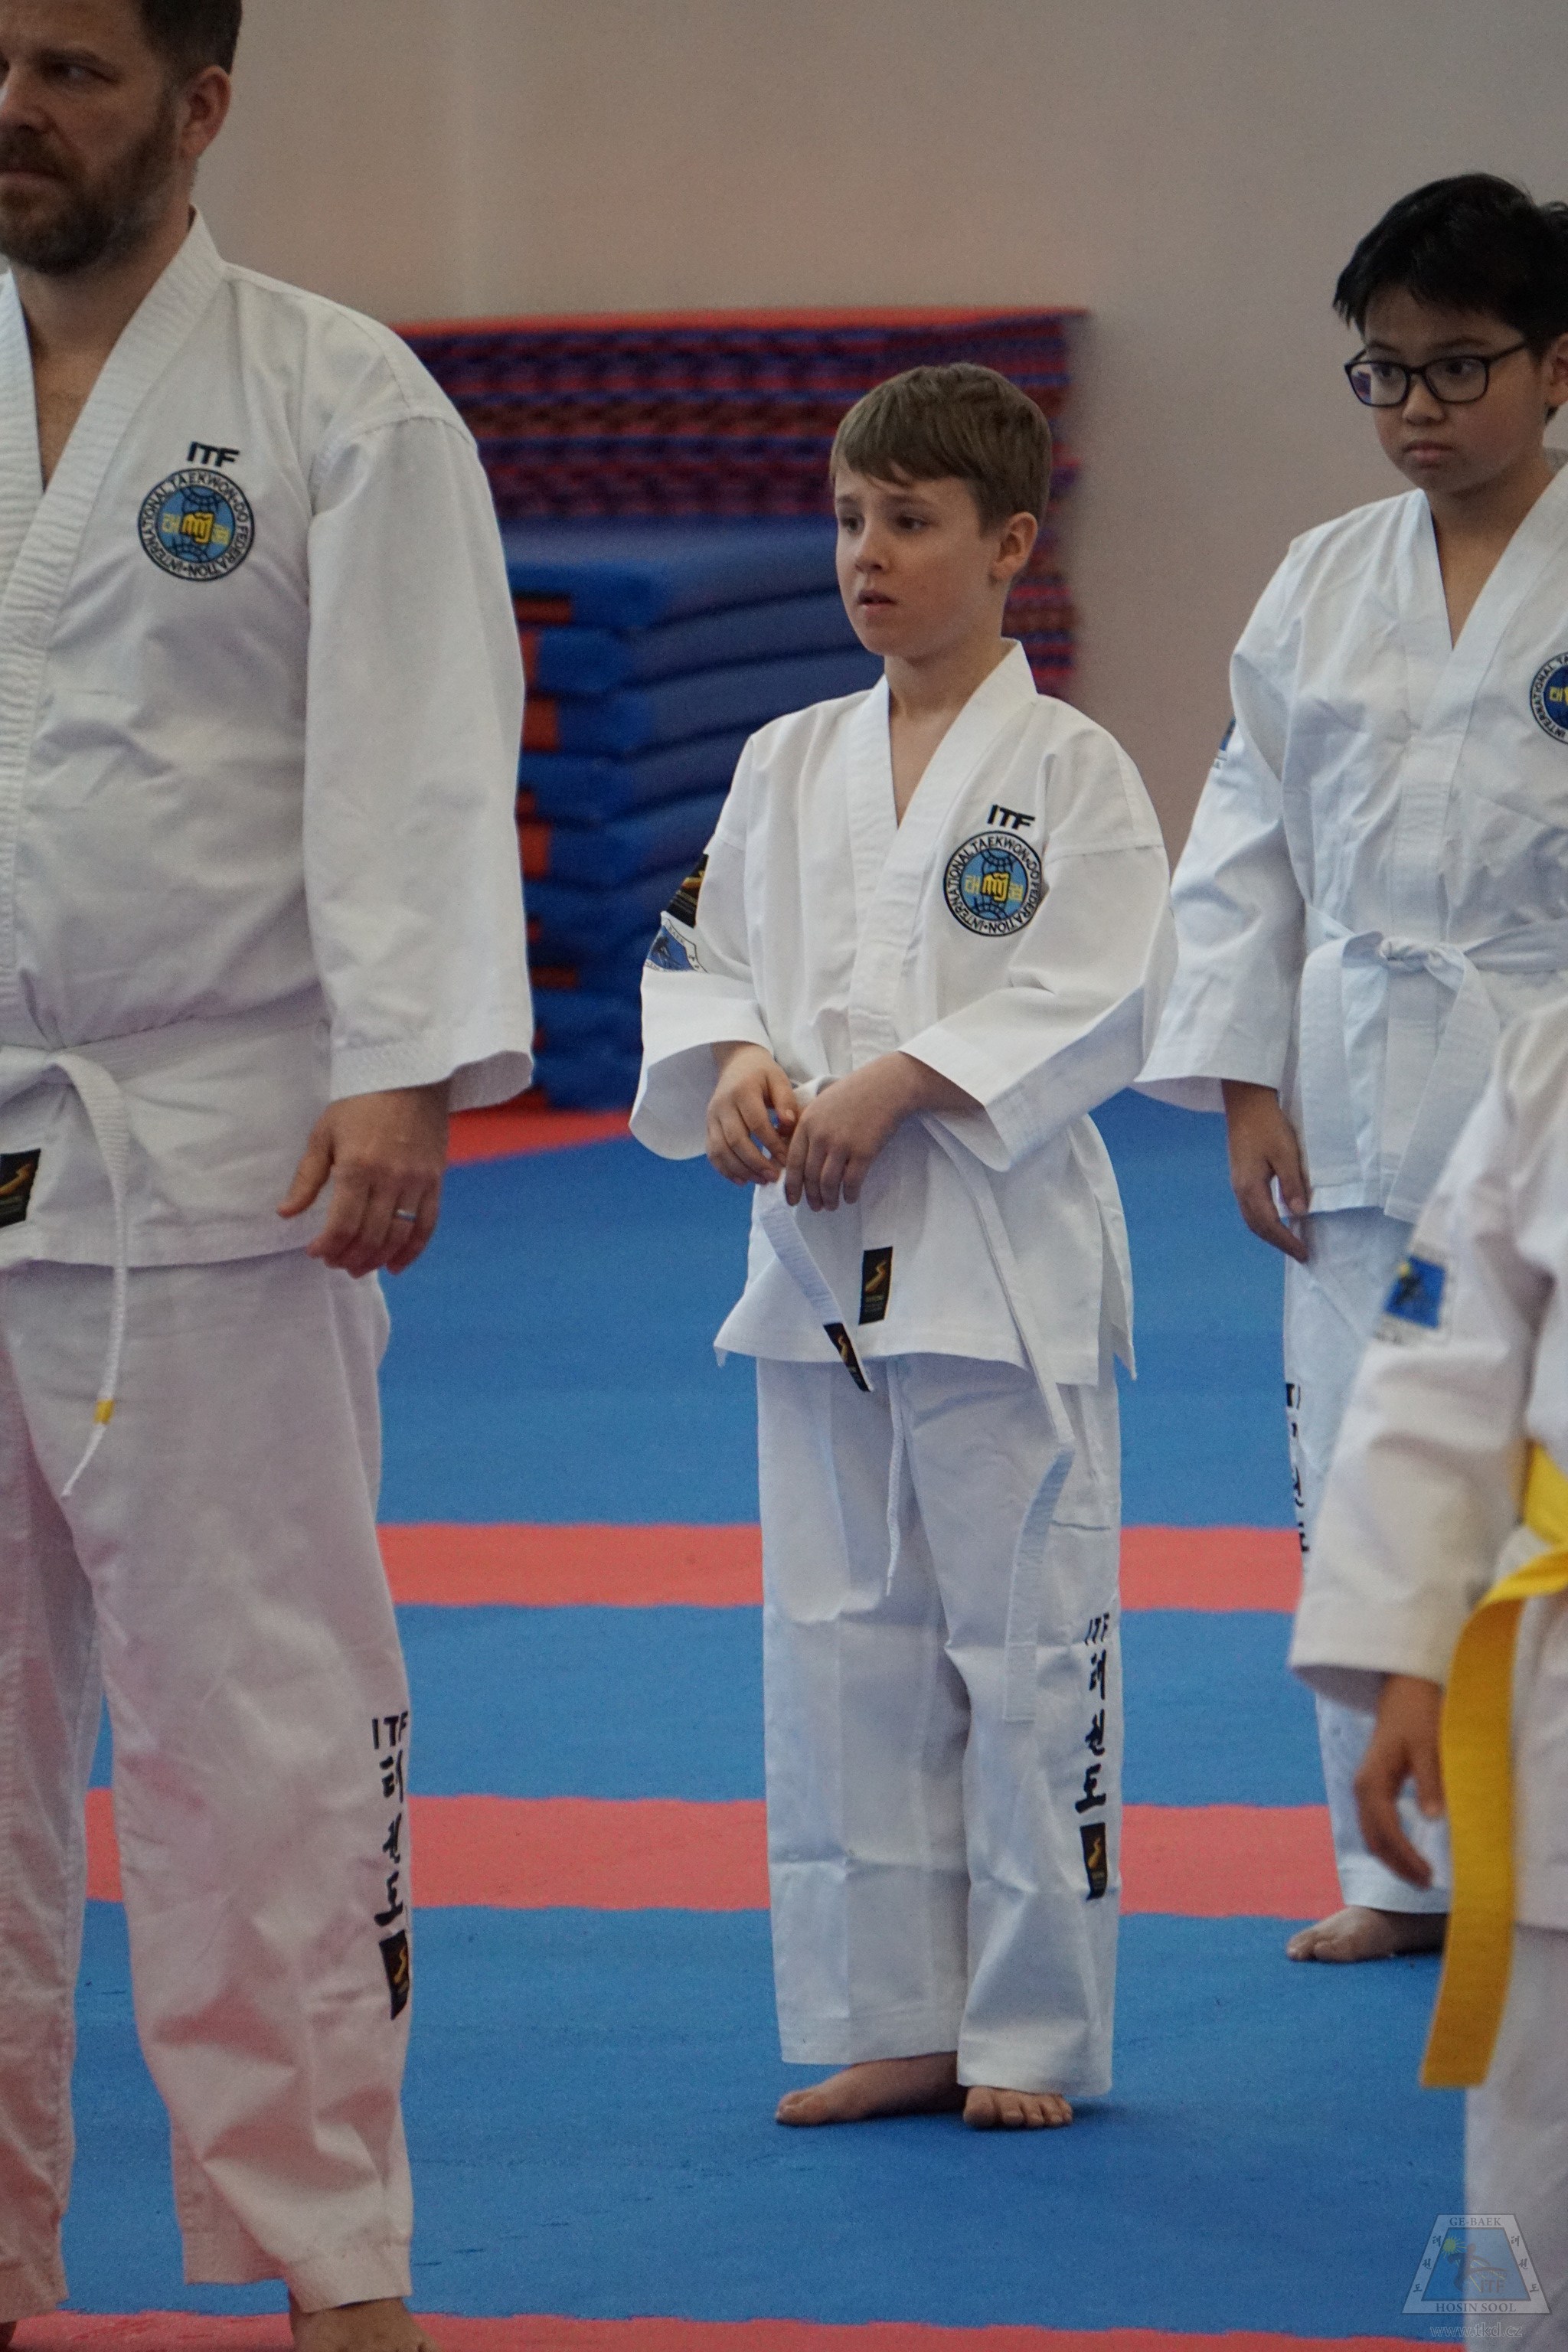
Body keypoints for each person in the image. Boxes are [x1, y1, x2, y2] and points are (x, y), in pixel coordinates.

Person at [0, 6, 531, 2350]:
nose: (16, 108)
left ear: (199, 104)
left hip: (222, 1153)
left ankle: (335, 2264)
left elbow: (422, 743)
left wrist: (403, 1065)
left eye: (73, 68)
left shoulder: (337, 397)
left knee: (262, 1732)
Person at [633, 364, 1174, 2132]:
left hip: (995, 1266)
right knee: (839, 1644)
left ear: (1009, 544)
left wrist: (905, 1080)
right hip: (813, 1273)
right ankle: (895, 2016)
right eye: (850, 519)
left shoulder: (1071, 771)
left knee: (1024, 1650)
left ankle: (1028, 2029)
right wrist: (734, 1065)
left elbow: (1108, 987)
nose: (867, 554)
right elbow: (699, 959)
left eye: (911, 522)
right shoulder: (786, 759)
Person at [1138, 173, 1568, 1964]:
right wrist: (1244, 1077)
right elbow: (1243, 838)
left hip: (1547, 1072)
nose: (1414, 408)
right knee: (1358, 1471)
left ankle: (1545, 1859)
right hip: (1349, 1080)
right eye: (1382, 372)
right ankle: (1398, 1871)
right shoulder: (1320, 579)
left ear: (1554, 365)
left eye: (1457, 366)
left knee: (1541, 1474)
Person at [1291, 1001, 1568, 2343]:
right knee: (1538, 2123)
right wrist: (1407, 1653)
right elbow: (1441, 1370)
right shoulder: (1553, 1061)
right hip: (1560, 1683)